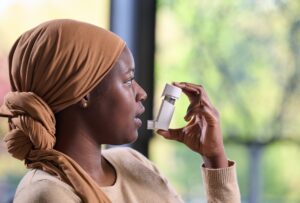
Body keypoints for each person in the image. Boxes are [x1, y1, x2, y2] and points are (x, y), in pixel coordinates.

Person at [0, 19, 240, 203]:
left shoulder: (132, 162)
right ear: (83, 93)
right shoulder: (47, 194)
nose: (141, 92)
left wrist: (214, 158)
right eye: (128, 80)